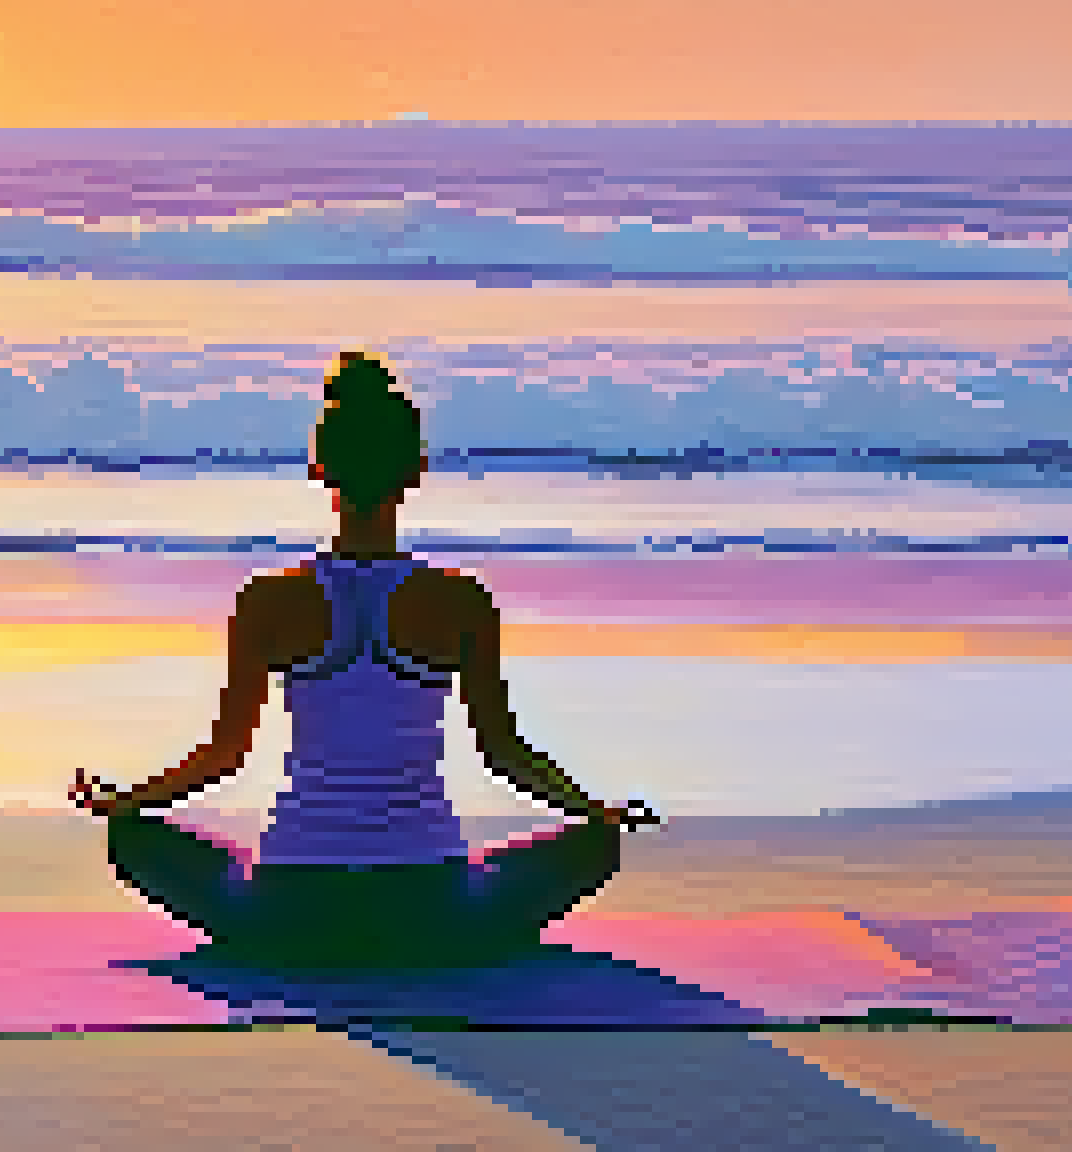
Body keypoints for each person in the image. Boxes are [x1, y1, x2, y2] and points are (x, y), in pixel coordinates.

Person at [70, 351, 656, 967]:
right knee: (593, 849)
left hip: (290, 906)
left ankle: (285, 935)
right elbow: (504, 754)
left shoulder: (271, 601)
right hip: (430, 907)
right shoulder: (458, 602)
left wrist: (129, 801)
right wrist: (593, 813)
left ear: (320, 468)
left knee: (134, 840)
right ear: (416, 471)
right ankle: (441, 934)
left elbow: (225, 756)